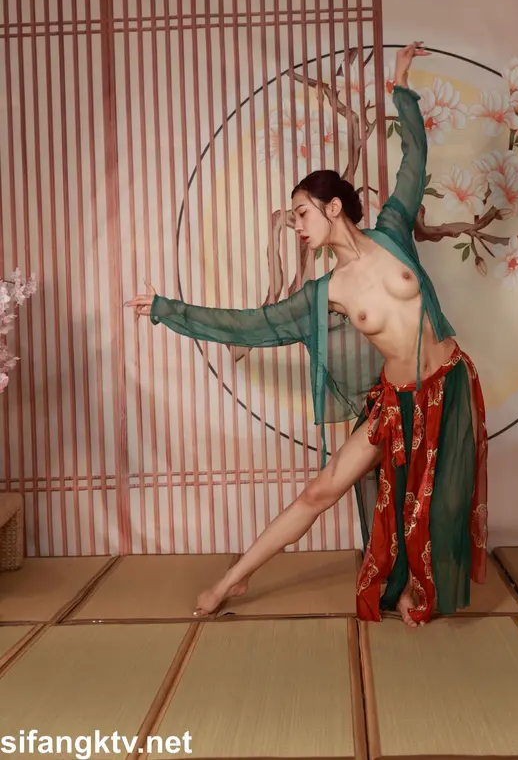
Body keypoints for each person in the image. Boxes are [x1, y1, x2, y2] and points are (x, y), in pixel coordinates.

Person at [126, 43, 488, 627]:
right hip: (395, 404)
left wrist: (401, 88)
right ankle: (232, 580)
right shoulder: (325, 293)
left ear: (333, 206)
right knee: (321, 491)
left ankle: (412, 587)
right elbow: (250, 324)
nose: (295, 225)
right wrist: (168, 309)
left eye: (300, 213)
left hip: (447, 387)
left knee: (439, 500)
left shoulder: (394, 232)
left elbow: (413, 162)